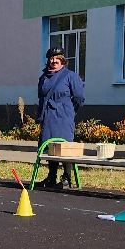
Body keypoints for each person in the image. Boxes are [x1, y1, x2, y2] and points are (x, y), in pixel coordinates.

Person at [37, 48, 86, 189]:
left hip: (64, 117)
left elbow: (79, 98)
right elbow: (41, 97)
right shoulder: (44, 77)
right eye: (51, 58)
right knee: (49, 147)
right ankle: (51, 177)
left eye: (57, 58)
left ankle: (67, 178)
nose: (54, 61)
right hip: (48, 117)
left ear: (62, 59)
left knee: (65, 147)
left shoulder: (70, 76)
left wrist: (69, 112)